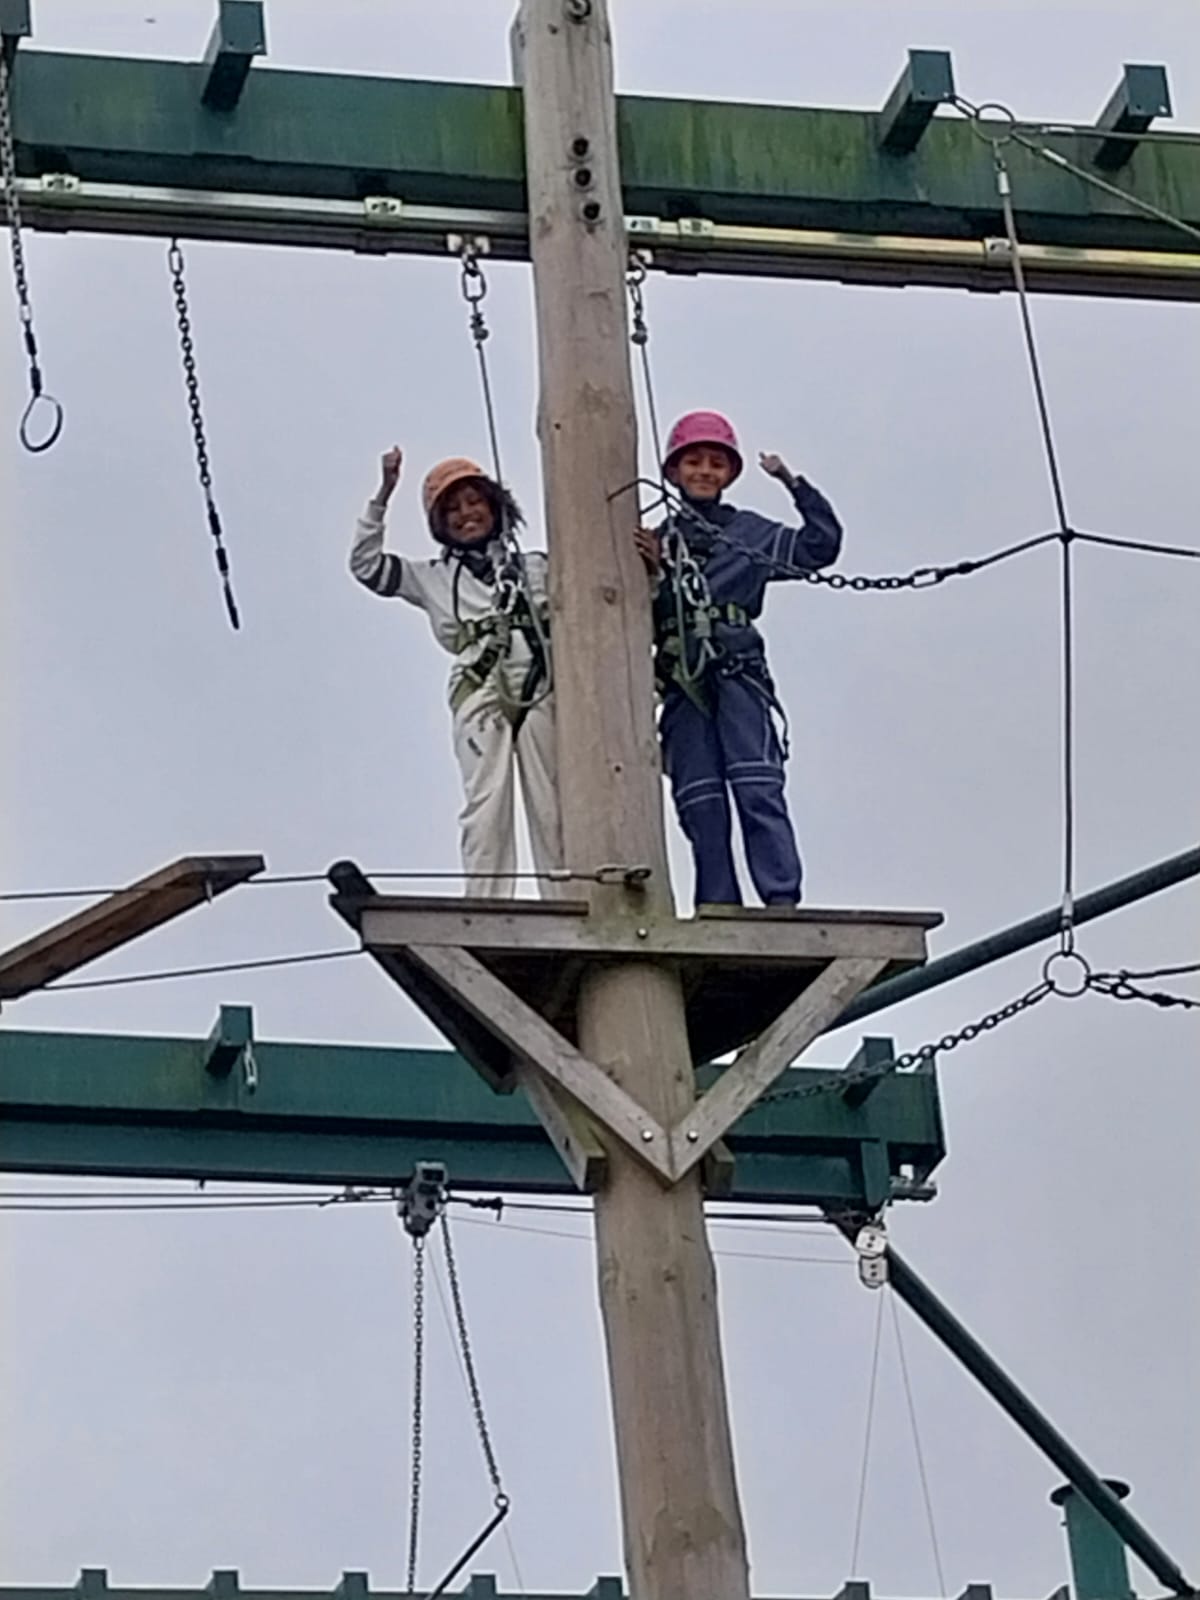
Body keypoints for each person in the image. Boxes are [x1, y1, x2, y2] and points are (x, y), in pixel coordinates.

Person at [634, 410, 842, 908]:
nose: (704, 472)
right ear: (674, 472)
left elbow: (820, 546)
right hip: (684, 679)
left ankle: (781, 901)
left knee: (757, 785)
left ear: (729, 474)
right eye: (693, 462)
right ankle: (718, 906)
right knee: (701, 800)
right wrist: (647, 570)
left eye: (714, 463)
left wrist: (794, 484)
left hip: (737, 671)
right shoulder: (657, 541)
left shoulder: (750, 534)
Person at [349, 447, 561, 898]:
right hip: (481, 689)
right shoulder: (432, 578)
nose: (466, 514)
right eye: (453, 509)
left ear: (494, 505)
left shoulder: (536, 567)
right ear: (440, 525)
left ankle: (571, 899)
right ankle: (486, 904)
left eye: (473, 501)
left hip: (540, 685)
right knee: (486, 803)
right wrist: (383, 495)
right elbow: (366, 567)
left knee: (553, 801)